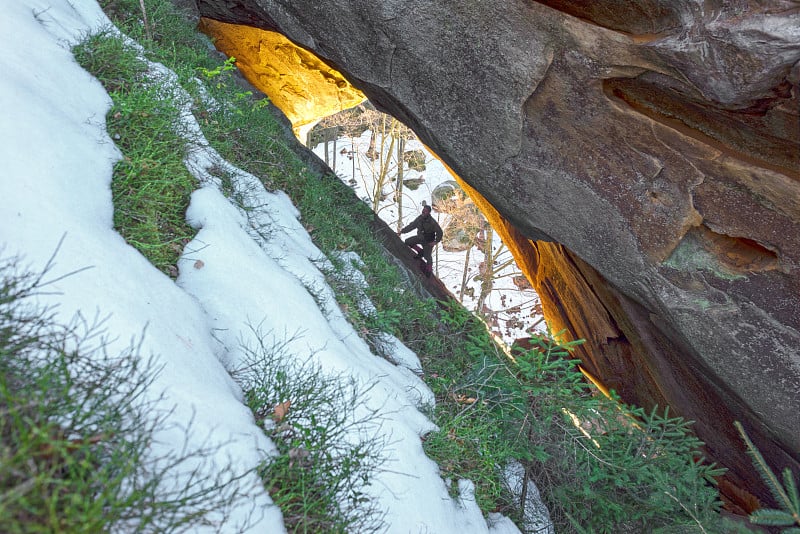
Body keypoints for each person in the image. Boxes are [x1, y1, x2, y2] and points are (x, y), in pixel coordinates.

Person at [398, 205, 442, 277]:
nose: (423, 211)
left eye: (425, 211)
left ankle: (429, 270)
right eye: (423, 210)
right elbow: (411, 226)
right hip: (420, 238)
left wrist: (435, 241)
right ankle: (420, 251)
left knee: (427, 257)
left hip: (428, 242)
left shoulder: (432, 222)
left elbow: (440, 232)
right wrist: (402, 231)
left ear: (429, 213)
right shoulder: (419, 218)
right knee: (408, 241)